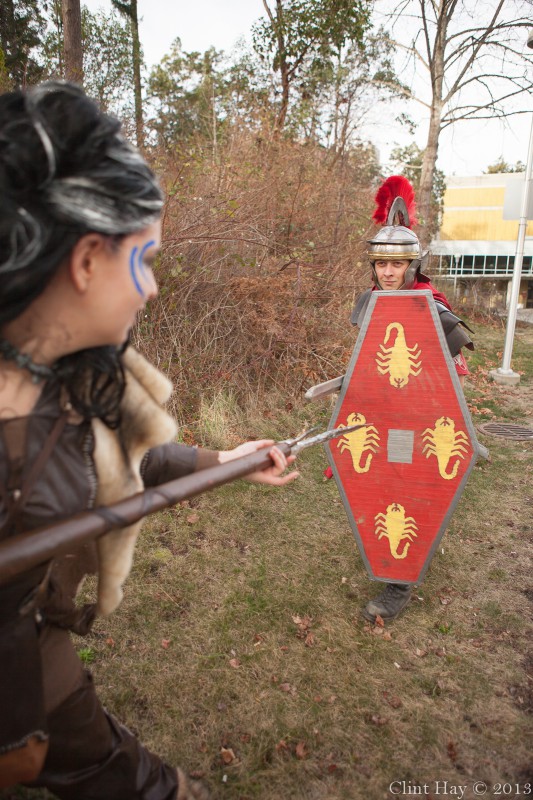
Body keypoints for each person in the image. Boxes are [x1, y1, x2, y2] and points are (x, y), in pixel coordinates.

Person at [0, 82, 299, 799]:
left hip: (35, 653)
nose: (155, 288)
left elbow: (117, 463)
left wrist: (218, 462)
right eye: (146, 258)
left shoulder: (70, 378)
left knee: (127, 780)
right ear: (87, 261)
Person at [350, 176, 473, 623]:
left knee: (409, 488)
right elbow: (366, 360)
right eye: (381, 266)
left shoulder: (430, 305)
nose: (387, 274)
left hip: (422, 418)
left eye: (397, 266)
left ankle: (399, 584)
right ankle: (387, 558)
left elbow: (452, 373)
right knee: (382, 487)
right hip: (382, 413)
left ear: (412, 266)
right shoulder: (369, 302)